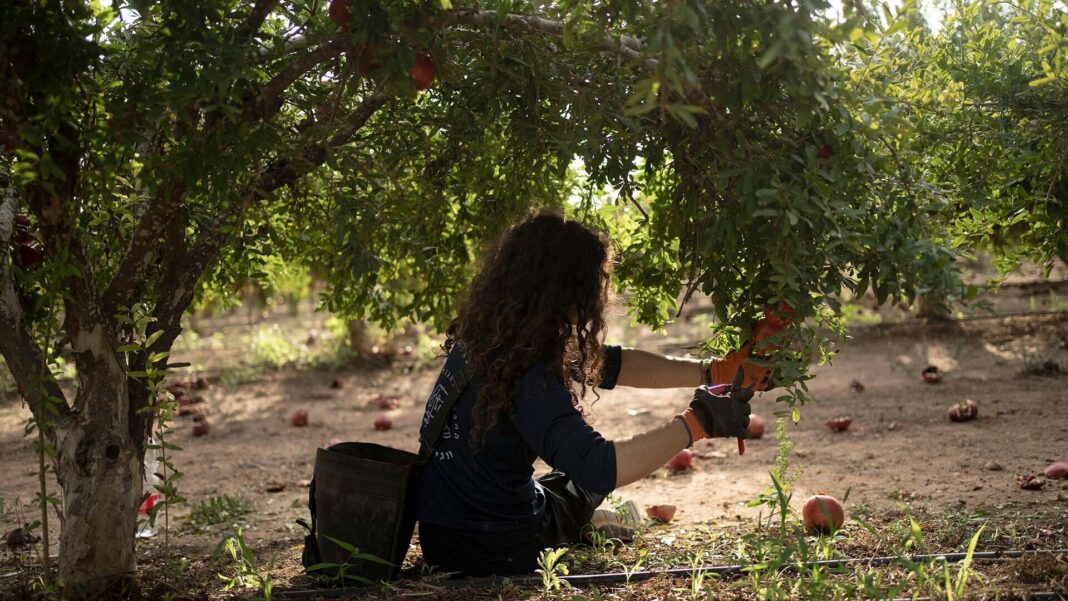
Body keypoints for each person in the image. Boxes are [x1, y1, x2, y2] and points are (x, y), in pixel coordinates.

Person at [415, 211, 769, 577]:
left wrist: (714, 371)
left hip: (442, 537)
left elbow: (609, 364)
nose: (599, 293)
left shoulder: (491, 339)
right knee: (584, 481)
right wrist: (699, 422)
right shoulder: (527, 371)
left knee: (567, 484)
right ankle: (587, 524)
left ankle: (581, 518)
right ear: (568, 286)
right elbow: (599, 467)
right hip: (495, 548)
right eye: (596, 281)